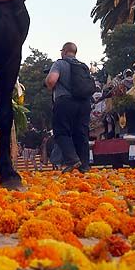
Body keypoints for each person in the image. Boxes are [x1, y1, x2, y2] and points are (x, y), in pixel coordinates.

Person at [44, 42, 92, 173]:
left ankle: (72, 159)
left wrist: (48, 84)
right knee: (81, 133)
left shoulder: (60, 63)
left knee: (61, 131)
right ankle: (84, 165)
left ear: (64, 51)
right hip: (84, 103)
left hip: (65, 102)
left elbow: (51, 80)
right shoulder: (84, 67)